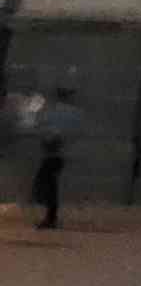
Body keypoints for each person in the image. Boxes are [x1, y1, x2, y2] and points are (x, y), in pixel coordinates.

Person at [28, 81, 85, 236]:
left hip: (53, 153)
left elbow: (41, 127)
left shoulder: (54, 111)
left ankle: (50, 217)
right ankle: (50, 215)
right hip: (58, 154)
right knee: (48, 184)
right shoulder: (74, 113)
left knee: (46, 184)